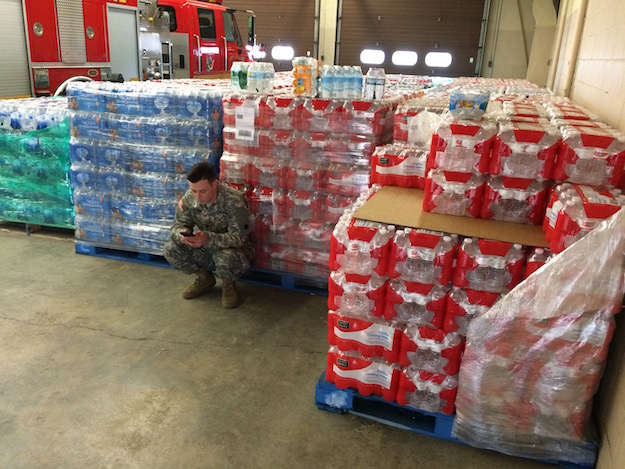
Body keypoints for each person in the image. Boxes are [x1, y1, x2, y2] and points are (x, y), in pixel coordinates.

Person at [163, 162, 253, 308]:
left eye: (202, 191)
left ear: (214, 184)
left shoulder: (234, 200)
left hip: (233, 252)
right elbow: (177, 225)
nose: (197, 196)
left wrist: (208, 238)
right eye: (193, 191)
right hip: (204, 247)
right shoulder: (189, 198)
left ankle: (228, 284)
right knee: (170, 249)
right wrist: (183, 234)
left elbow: (240, 238)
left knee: (226, 258)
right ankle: (204, 278)